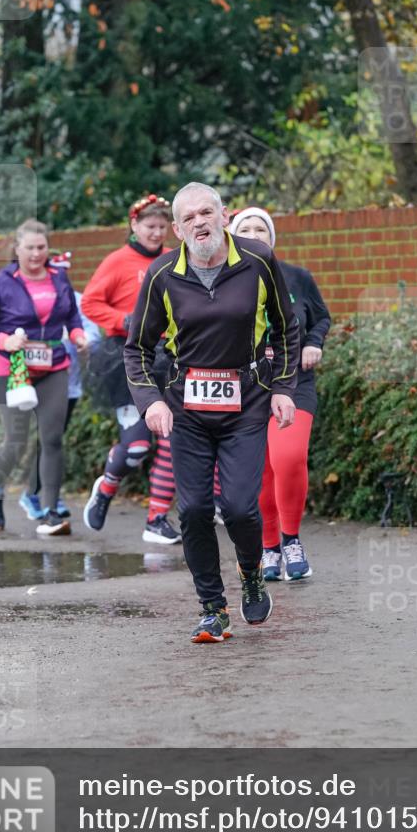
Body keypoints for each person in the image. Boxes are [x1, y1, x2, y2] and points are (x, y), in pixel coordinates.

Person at [123, 182, 300, 643]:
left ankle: (252, 573)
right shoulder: (162, 274)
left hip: (246, 402)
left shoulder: (258, 260)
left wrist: (283, 388)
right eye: (189, 218)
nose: (200, 222)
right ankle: (212, 608)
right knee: (197, 509)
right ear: (178, 231)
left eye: (207, 212)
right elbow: (137, 349)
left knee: (240, 509)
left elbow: (286, 329)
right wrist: (152, 401)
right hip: (187, 408)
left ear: (224, 217)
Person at [0, 219, 88, 536]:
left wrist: (77, 334)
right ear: (17, 249)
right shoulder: (1, 281)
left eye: (42, 247)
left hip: (53, 366)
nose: (36, 253)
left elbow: (72, 315)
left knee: (52, 439)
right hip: (11, 370)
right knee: (16, 441)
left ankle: (49, 512)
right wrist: (2, 340)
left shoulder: (59, 277)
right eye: (30, 248)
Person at [229, 207, 330, 580]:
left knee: (288, 458)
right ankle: (268, 548)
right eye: (246, 229)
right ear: (233, 237)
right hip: (246, 387)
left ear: (272, 238)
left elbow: (320, 317)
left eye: (262, 228)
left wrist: (313, 343)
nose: (255, 234)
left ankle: (291, 540)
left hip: (294, 382)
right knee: (261, 472)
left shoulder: (297, 278)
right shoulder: (220, 279)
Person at [81, 194, 181, 544]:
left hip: (169, 358)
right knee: (138, 448)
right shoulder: (117, 261)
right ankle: (107, 486)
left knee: (171, 440)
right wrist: (123, 319)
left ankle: (156, 519)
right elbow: (90, 302)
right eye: (149, 227)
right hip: (126, 356)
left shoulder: (174, 260)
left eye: (161, 227)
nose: (156, 233)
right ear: (134, 226)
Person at [18, 252, 102, 521]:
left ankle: (44, 493)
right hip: (35, 383)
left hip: (69, 385)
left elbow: (94, 335)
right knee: (49, 439)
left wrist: (84, 340)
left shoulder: (76, 301)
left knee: (53, 440)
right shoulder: (29, 299)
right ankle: (36, 495)